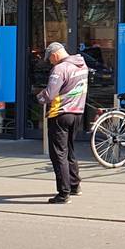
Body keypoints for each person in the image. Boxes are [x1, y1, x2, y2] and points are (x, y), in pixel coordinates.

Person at [37, 42, 89, 204]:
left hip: (60, 114)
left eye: (50, 59)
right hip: (77, 113)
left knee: (58, 154)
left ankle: (63, 193)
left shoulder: (59, 69)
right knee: (70, 150)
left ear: (55, 55)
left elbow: (50, 94)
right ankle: (74, 185)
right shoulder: (81, 65)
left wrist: (39, 97)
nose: (50, 62)